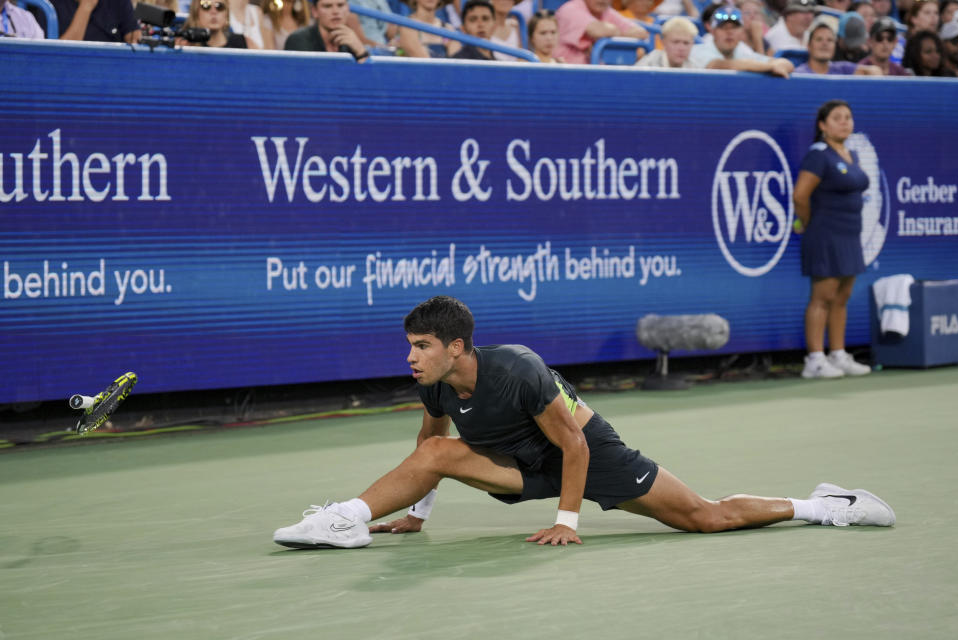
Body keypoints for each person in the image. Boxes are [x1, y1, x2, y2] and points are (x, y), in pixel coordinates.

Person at [272, 295, 896, 550]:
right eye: (409, 345)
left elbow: (572, 442)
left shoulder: (518, 368)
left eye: (423, 346)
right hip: (519, 465)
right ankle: (348, 520)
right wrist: (417, 513)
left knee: (706, 517)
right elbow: (428, 448)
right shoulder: (435, 386)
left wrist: (567, 522)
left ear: (458, 346)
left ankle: (825, 505)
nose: (412, 357)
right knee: (436, 452)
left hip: (587, 452)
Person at [792, 101, 874, 379]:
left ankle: (837, 354)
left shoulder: (851, 154)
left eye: (848, 117)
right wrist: (804, 223)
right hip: (824, 233)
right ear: (822, 126)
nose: (844, 122)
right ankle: (814, 360)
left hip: (850, 233)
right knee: (822, 297)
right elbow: (800, 196)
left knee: (842, 297)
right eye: (837, 118)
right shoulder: (818, 155)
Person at [688, 5, 795, 76]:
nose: (729, 32)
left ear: (742, 31)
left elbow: (787, 64)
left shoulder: (742, 50)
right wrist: (770, 67)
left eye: (734, 28)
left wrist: (780, 64)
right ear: (712, 31)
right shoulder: (698, 49)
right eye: (723, 27)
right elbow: (719, 65)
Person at [554, 0, 649, 65]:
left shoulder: (606, 11)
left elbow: (641, 32)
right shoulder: (571, 8)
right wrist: (618, 33)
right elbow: (597, 31)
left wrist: (613, 32)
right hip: (564, 72)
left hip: (595, 75)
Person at [284, 0, 369, 60]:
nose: (335, 11)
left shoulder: (351, 40)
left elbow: (372, 80)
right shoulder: (298, 40)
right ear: (314, 12)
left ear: (348, 9)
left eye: (340, 5)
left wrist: (361, 51)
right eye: (327, 6)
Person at [794, 18, 881, 72]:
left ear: (835, 46)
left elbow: (873, 71)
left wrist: (875, 71)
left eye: (830, 40)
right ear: (808, 45)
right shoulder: (799, 73)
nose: (824, 44)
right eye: (819, 39)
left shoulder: (843, 68)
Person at [51, 0, 141, 43]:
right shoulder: (48, 5)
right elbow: (55, 58)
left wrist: (134, 39)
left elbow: (133, 39)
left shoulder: (119, 2)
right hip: (67, 74)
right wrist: (86, 7)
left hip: (111, 71)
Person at [180, 0, 247, 47]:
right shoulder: (185, 44)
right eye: (206, 6)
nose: (213, 12)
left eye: (219, 6)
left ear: (226, 14)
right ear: (196, 13)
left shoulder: (242, 42)